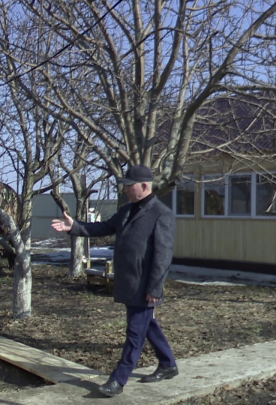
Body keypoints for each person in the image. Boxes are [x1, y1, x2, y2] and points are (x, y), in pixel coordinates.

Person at [51, 164, 178, 397]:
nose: (126, 189)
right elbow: (103, 227)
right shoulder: (126, 210)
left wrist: (155, 288)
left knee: (135, 333)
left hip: (145, 285)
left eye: (129, 186)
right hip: (129, 283)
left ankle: (118, 380)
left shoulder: (162, 214)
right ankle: (168, 364)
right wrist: (74, 227)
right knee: (146, 324)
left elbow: (163, 255)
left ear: (143, 186)